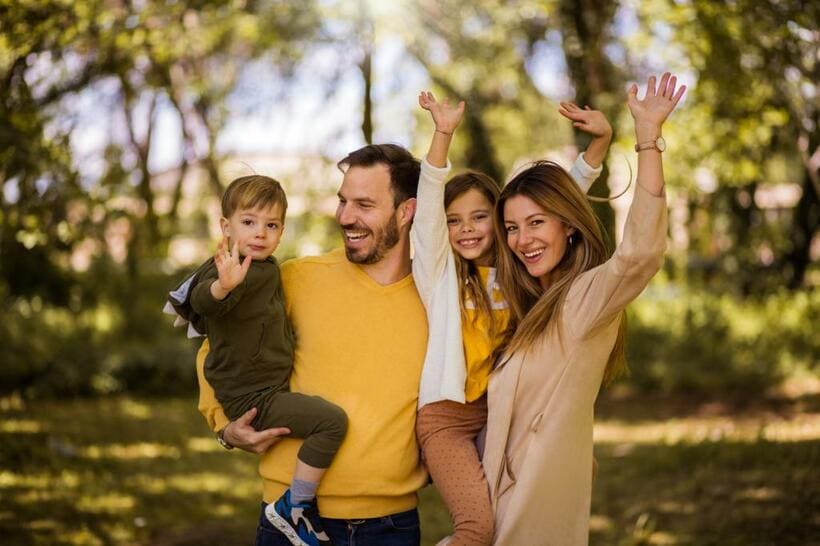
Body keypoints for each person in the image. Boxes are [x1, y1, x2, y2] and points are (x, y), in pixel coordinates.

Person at [483, 72, 685, 545]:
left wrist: (648, 140)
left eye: (536, 223)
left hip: (537, 507)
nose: (522, 240)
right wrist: (595, 149)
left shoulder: (586, 300)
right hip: (496, 504)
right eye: (511, 228)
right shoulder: (530, 305)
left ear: (569, 227)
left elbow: (640, 253)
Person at [196, 145, 431, 546]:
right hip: (286, 521)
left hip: (390, 525)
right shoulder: (295, 278)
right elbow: (215, 348)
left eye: (364, 204)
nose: (345, 216)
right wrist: (225, 428)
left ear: (406, 211)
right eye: (342, 201)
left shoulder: (435, 297)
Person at [411, 93, 612, 546]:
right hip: (448, 420)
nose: (467, 228)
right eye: (454, 219)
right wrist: (442, 134)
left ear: (501, 222)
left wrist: (598, 147)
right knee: (476, 530)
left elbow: (559, 206)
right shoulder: (440, 276)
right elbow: (425, 216)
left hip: (503, 415)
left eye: (480, 216)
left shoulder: (519, 268)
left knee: (519, 514)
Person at [166, 175, 348, 546]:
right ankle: (295, 506)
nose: (260, 233)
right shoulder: (230, 268)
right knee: (331, 422)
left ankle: (297, 505)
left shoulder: (266, 267)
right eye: (248, 222)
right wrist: (223, 285)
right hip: (254, 398)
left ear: (281, 231)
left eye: (271, 225)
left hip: (266, 387)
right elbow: (204, 301)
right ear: (225, 226)